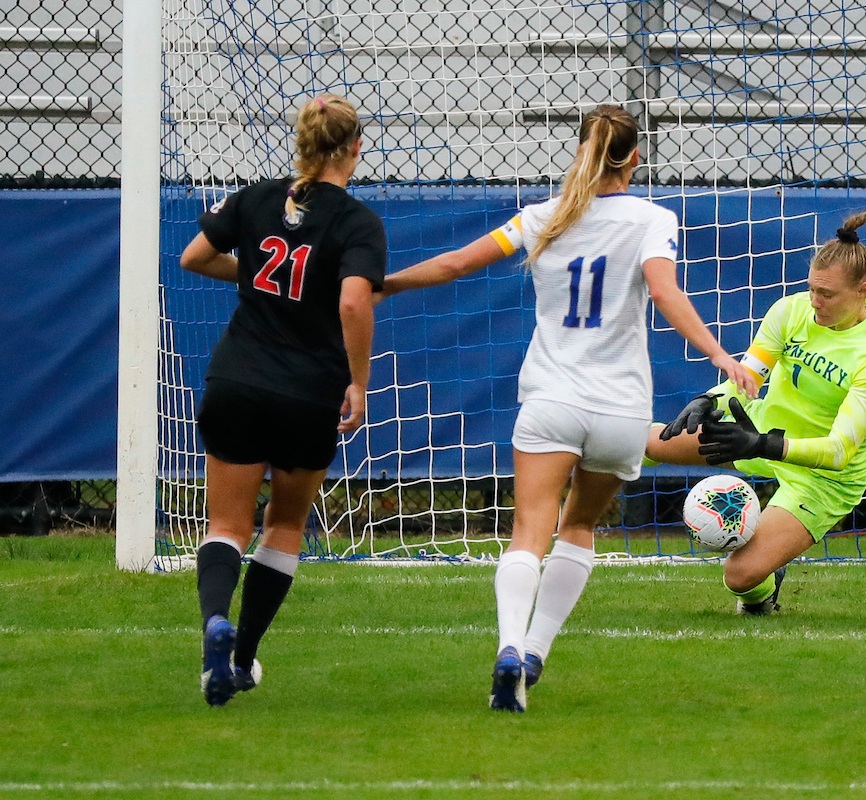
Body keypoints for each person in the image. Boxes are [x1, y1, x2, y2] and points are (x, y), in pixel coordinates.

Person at [377, 104, 757, 712]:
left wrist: (386, 284)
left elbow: (454, 264)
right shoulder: (653, 219)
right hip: (618, 410)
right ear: (635, 157)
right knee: (578, 527)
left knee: (529, 532)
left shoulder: (540, 218)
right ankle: (535, 653)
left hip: (551, 400)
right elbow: (663, 290)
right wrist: (720, 356)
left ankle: (508, 647)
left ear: (580, 150)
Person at [180, 94, 385, 706]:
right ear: (354, 148)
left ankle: (215, 619)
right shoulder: (357, 222)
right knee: (286, 524)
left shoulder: (256, 197)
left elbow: (196, 256)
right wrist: (359, 381)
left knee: (226, 524)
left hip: (237, 380)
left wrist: (250, 276)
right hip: (307, 392)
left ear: (302, 142)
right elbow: (353, 301)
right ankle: (241, 656)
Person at [647, 211, 866, 615]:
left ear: (863, 290)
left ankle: (765, 590)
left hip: (823, 478)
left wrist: (761, 445)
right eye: (812, 288)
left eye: (828, 294)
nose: (815, 302)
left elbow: (838, 452)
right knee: (646, 443)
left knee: (740, 576)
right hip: (758, 431)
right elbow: (747, 377)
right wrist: (710, 399)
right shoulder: (791, 311)